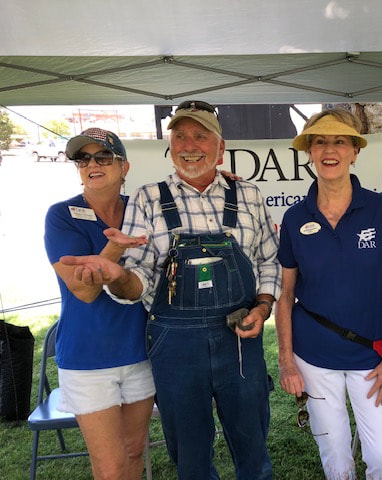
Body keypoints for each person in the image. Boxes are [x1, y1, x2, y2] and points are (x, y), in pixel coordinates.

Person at [61, 101, 282, 480]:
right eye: (180, 136)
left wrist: (262, 308)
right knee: (190, 457)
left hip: (240, 337)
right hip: (175, 344)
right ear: (170, 144)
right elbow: (137, 278)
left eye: (200, 135)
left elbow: (268, 262)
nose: (189, 144)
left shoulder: (249, 196)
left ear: (220, 146)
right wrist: (117, 275)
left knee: (253, 449)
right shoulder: (148, 198)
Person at [276, 108, 382, 479]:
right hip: (314, 356)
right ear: (309, 151)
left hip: (373, 357)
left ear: (355, 151)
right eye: (319, 141)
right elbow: (285, 296)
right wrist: (287, 361)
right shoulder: (294, 217)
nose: (329, 149)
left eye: (339, 141)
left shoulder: (381, 209)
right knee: (336, 459)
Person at [44, 128, 155, 480]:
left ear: (124, 166)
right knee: (110, 467)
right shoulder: (61, 215)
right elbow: (84, 291)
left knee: (135, 451)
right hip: (88, 359)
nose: (92, 164)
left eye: (103, 157)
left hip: (142, 350)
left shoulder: (142, 209)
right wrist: (116, 246)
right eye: (83, 159)